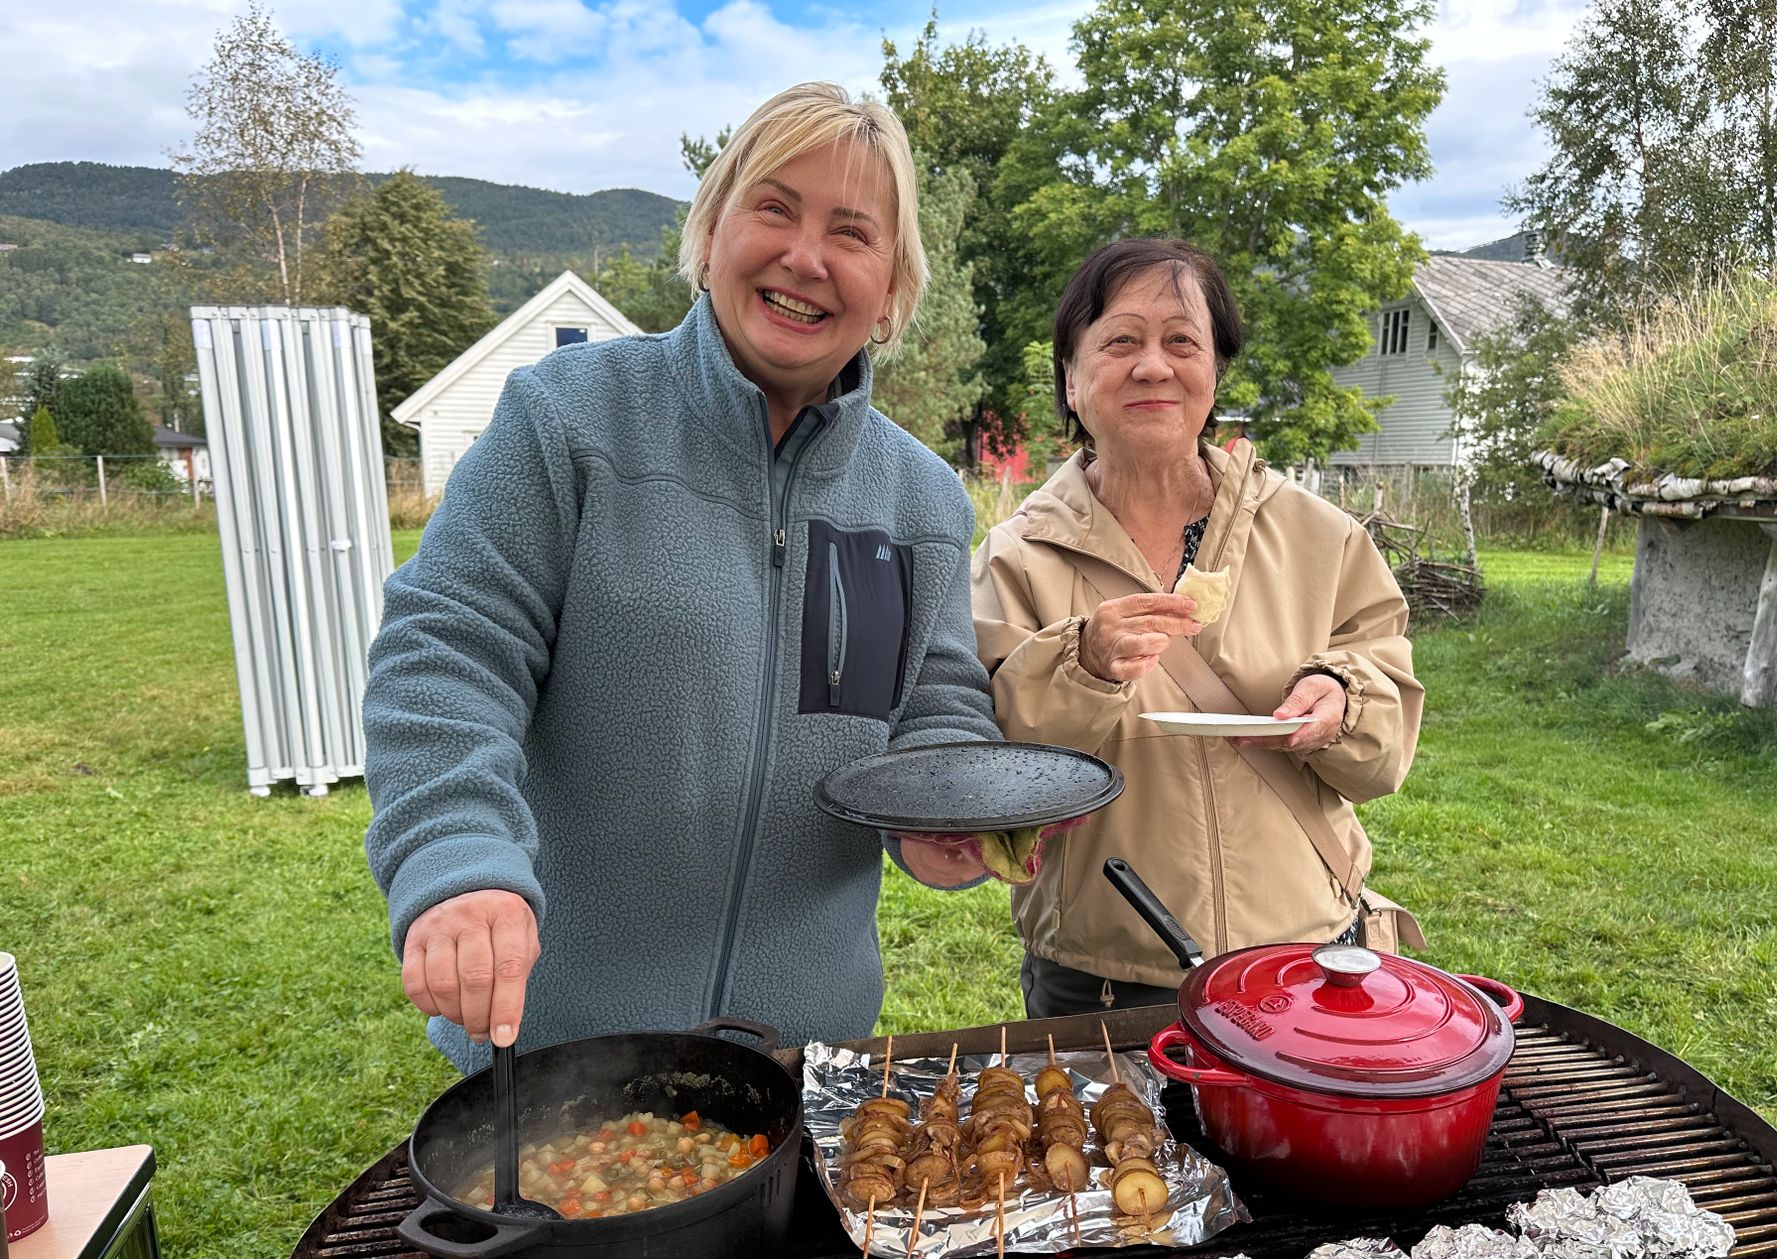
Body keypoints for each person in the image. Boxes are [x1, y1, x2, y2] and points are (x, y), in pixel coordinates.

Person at [364, 83, 995, 1071]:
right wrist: (456, 856)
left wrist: (942, 808)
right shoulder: (568, 422)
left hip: (801, 1055)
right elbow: (448, 650)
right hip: (562, 1056)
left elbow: (933, 699)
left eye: (851, 232)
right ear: (709, 235)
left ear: (890, 288)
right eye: (773, 208)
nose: (804, 257)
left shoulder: (921, 501)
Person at [970, 238, 1424, 1017]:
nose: (1154, 366)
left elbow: (1383, 752)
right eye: (1120, 341)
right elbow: (995, 775)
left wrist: (1342, 702)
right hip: (1103, 976)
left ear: (1214, 376)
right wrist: (1080, 665)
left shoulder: (1320, 537)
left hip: (1303, 961)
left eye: (1183, 341)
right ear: (1072, 382)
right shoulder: (1013, 558)